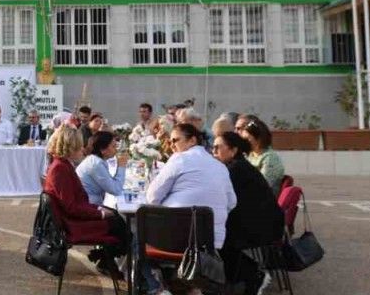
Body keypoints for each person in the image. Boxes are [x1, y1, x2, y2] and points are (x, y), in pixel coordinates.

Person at [141, 123, 236, 295]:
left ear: (192, 140)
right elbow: (232, 203)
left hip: (172, 240)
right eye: (169, 141)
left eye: (175, 140)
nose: (171, 145)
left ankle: (155, 287)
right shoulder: (220, 166)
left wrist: (171, 200)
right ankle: (183, 285)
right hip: (209, 243)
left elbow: (152, 197)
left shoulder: (179, 159)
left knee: (136, 235)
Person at [42, 126, 126, 281]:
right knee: (120, 225)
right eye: (79, 146)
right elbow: (71, 207)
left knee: (117, 219)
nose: (83, 149)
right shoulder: (60, 168)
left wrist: (99, 210)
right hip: (70, 224)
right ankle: (108, 261)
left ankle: (104, 259)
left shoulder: (63, 165)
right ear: (69, 147)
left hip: (72, 216)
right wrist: (100, 213)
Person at [214, 131, 284, 295]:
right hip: (256, 221)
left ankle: (253, 275)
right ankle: (234, 280)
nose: (213, 151)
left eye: (218, 147)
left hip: (262, 226)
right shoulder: (236, 166)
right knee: (216, 234)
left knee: (216, 237)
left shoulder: (236, 169)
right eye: (213, 147)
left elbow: (220, 197)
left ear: (233, 150)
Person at [76, 131, 127, 207]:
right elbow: (116, 190)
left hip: (91, 203)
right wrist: (121, 166)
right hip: (88, 206)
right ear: (103, 150)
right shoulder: (96, 164)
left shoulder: (96, 160)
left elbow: (113, 185)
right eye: (113, 146)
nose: (116, 150)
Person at [237, 116, 286, 195]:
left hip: (262, 199)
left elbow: (262, 186)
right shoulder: (250, 155)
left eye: (247, 139)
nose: (244, 142)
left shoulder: (270, 159)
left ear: (259, 139)